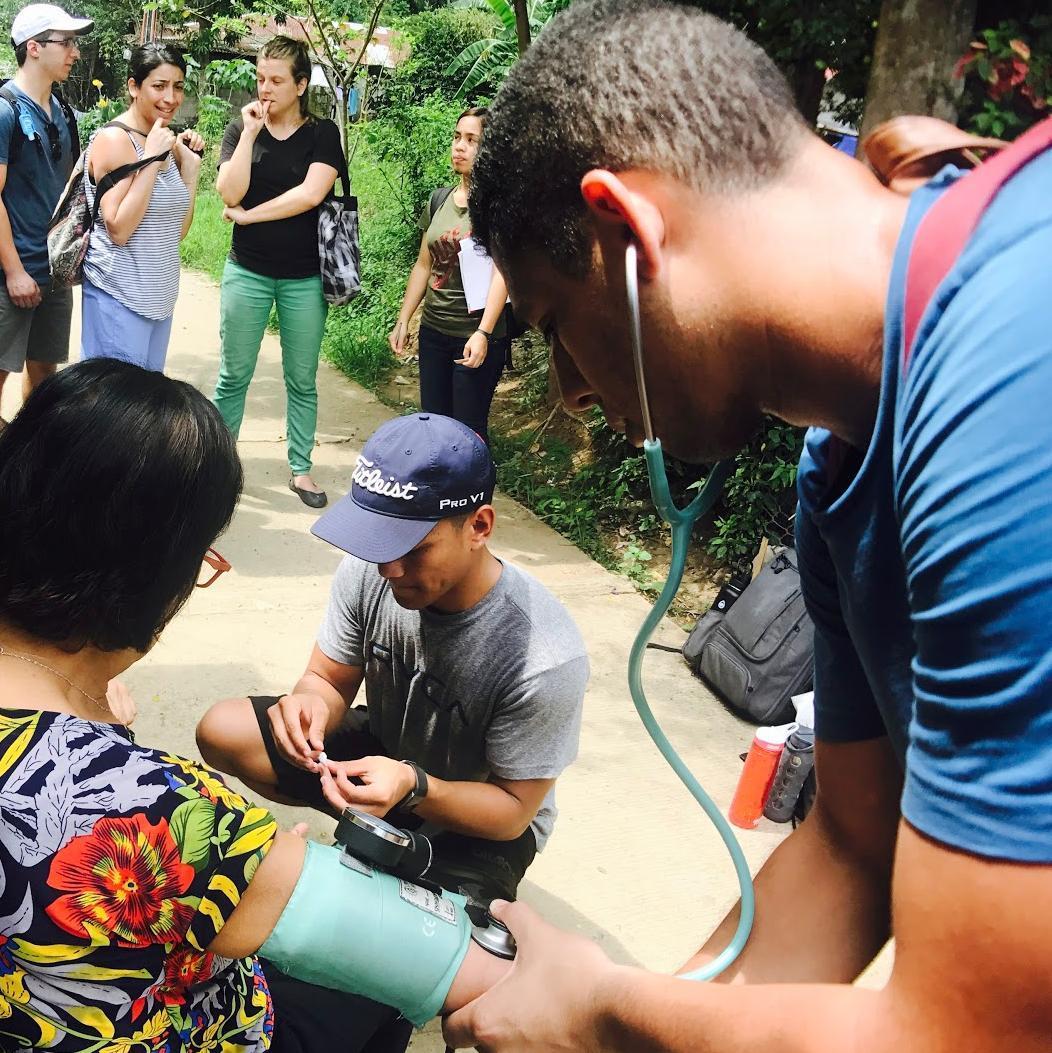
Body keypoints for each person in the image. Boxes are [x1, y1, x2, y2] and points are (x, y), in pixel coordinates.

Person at [437, 1, 1052, 1050]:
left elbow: (972, 1032)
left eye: (552, 327)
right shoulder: (846, 461)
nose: (574, 392)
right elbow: (852, 847)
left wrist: (598, 1012)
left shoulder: (1011, 359)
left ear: (627, 233)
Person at [0, 361, 509, 1053]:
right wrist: (260, 870)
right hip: (195, 1024)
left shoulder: (535, 648)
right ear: (157, 578)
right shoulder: (160, 812)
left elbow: (516, 807)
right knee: (373, 995)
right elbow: (455, 962)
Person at [197, 412, 588, 1047]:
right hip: (389, 751)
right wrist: (309, 706)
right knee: (227, 728)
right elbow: (326, 676)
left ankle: (416, 882)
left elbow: (516, 813)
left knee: (387, 977)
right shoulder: (376, 567)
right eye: (378, 546)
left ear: (479, 527)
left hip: (476, 814)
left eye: (413, 550)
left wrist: (413, 787)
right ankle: (383, 850)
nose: (390, 570)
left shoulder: (540, 654)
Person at [214, 35, 342, 510]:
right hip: (247, 271)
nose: (264, 89)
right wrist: (249, 134)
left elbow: (310, 195)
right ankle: (220, 465)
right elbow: (229, 193)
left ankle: (301, 469)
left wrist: (250, 216)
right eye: (260, 78)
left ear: (301, 84)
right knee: (233, 374)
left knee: (301, 377)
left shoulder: (322, 134)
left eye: (276, 80)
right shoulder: (239, 129)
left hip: (304, 277)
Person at [389, 108, 510, 446]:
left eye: (472, 140)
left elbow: (504, 274)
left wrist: (483, 333)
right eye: (458, 137)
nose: (460, 146)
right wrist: (404, 319)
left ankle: (476, 500)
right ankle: (439, 500)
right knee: (433, 429)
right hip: (433, 334)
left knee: (468, 436)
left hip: (473, 335)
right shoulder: (439, 199)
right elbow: (423, 265)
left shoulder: (497, 206)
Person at [80, 44, 203, 372]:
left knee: (145, 415)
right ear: (134, 87)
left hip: (159, 300)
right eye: (159, 86)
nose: (171, 98)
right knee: (112, 409)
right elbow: (118, 229)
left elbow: (176, 232)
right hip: (118, 297)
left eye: (178, 87)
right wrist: (150, 159)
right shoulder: (115, 140)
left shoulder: (162, 139)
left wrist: (189, 172)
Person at [0, 3, 90, 420]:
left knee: (44, 375)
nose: (74, 52)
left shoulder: (65, 114)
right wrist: (15, 271)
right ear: (33, 47)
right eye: (66, 42)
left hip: (54, 271)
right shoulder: (5, 111)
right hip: (10, 273)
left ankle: (27, 460)